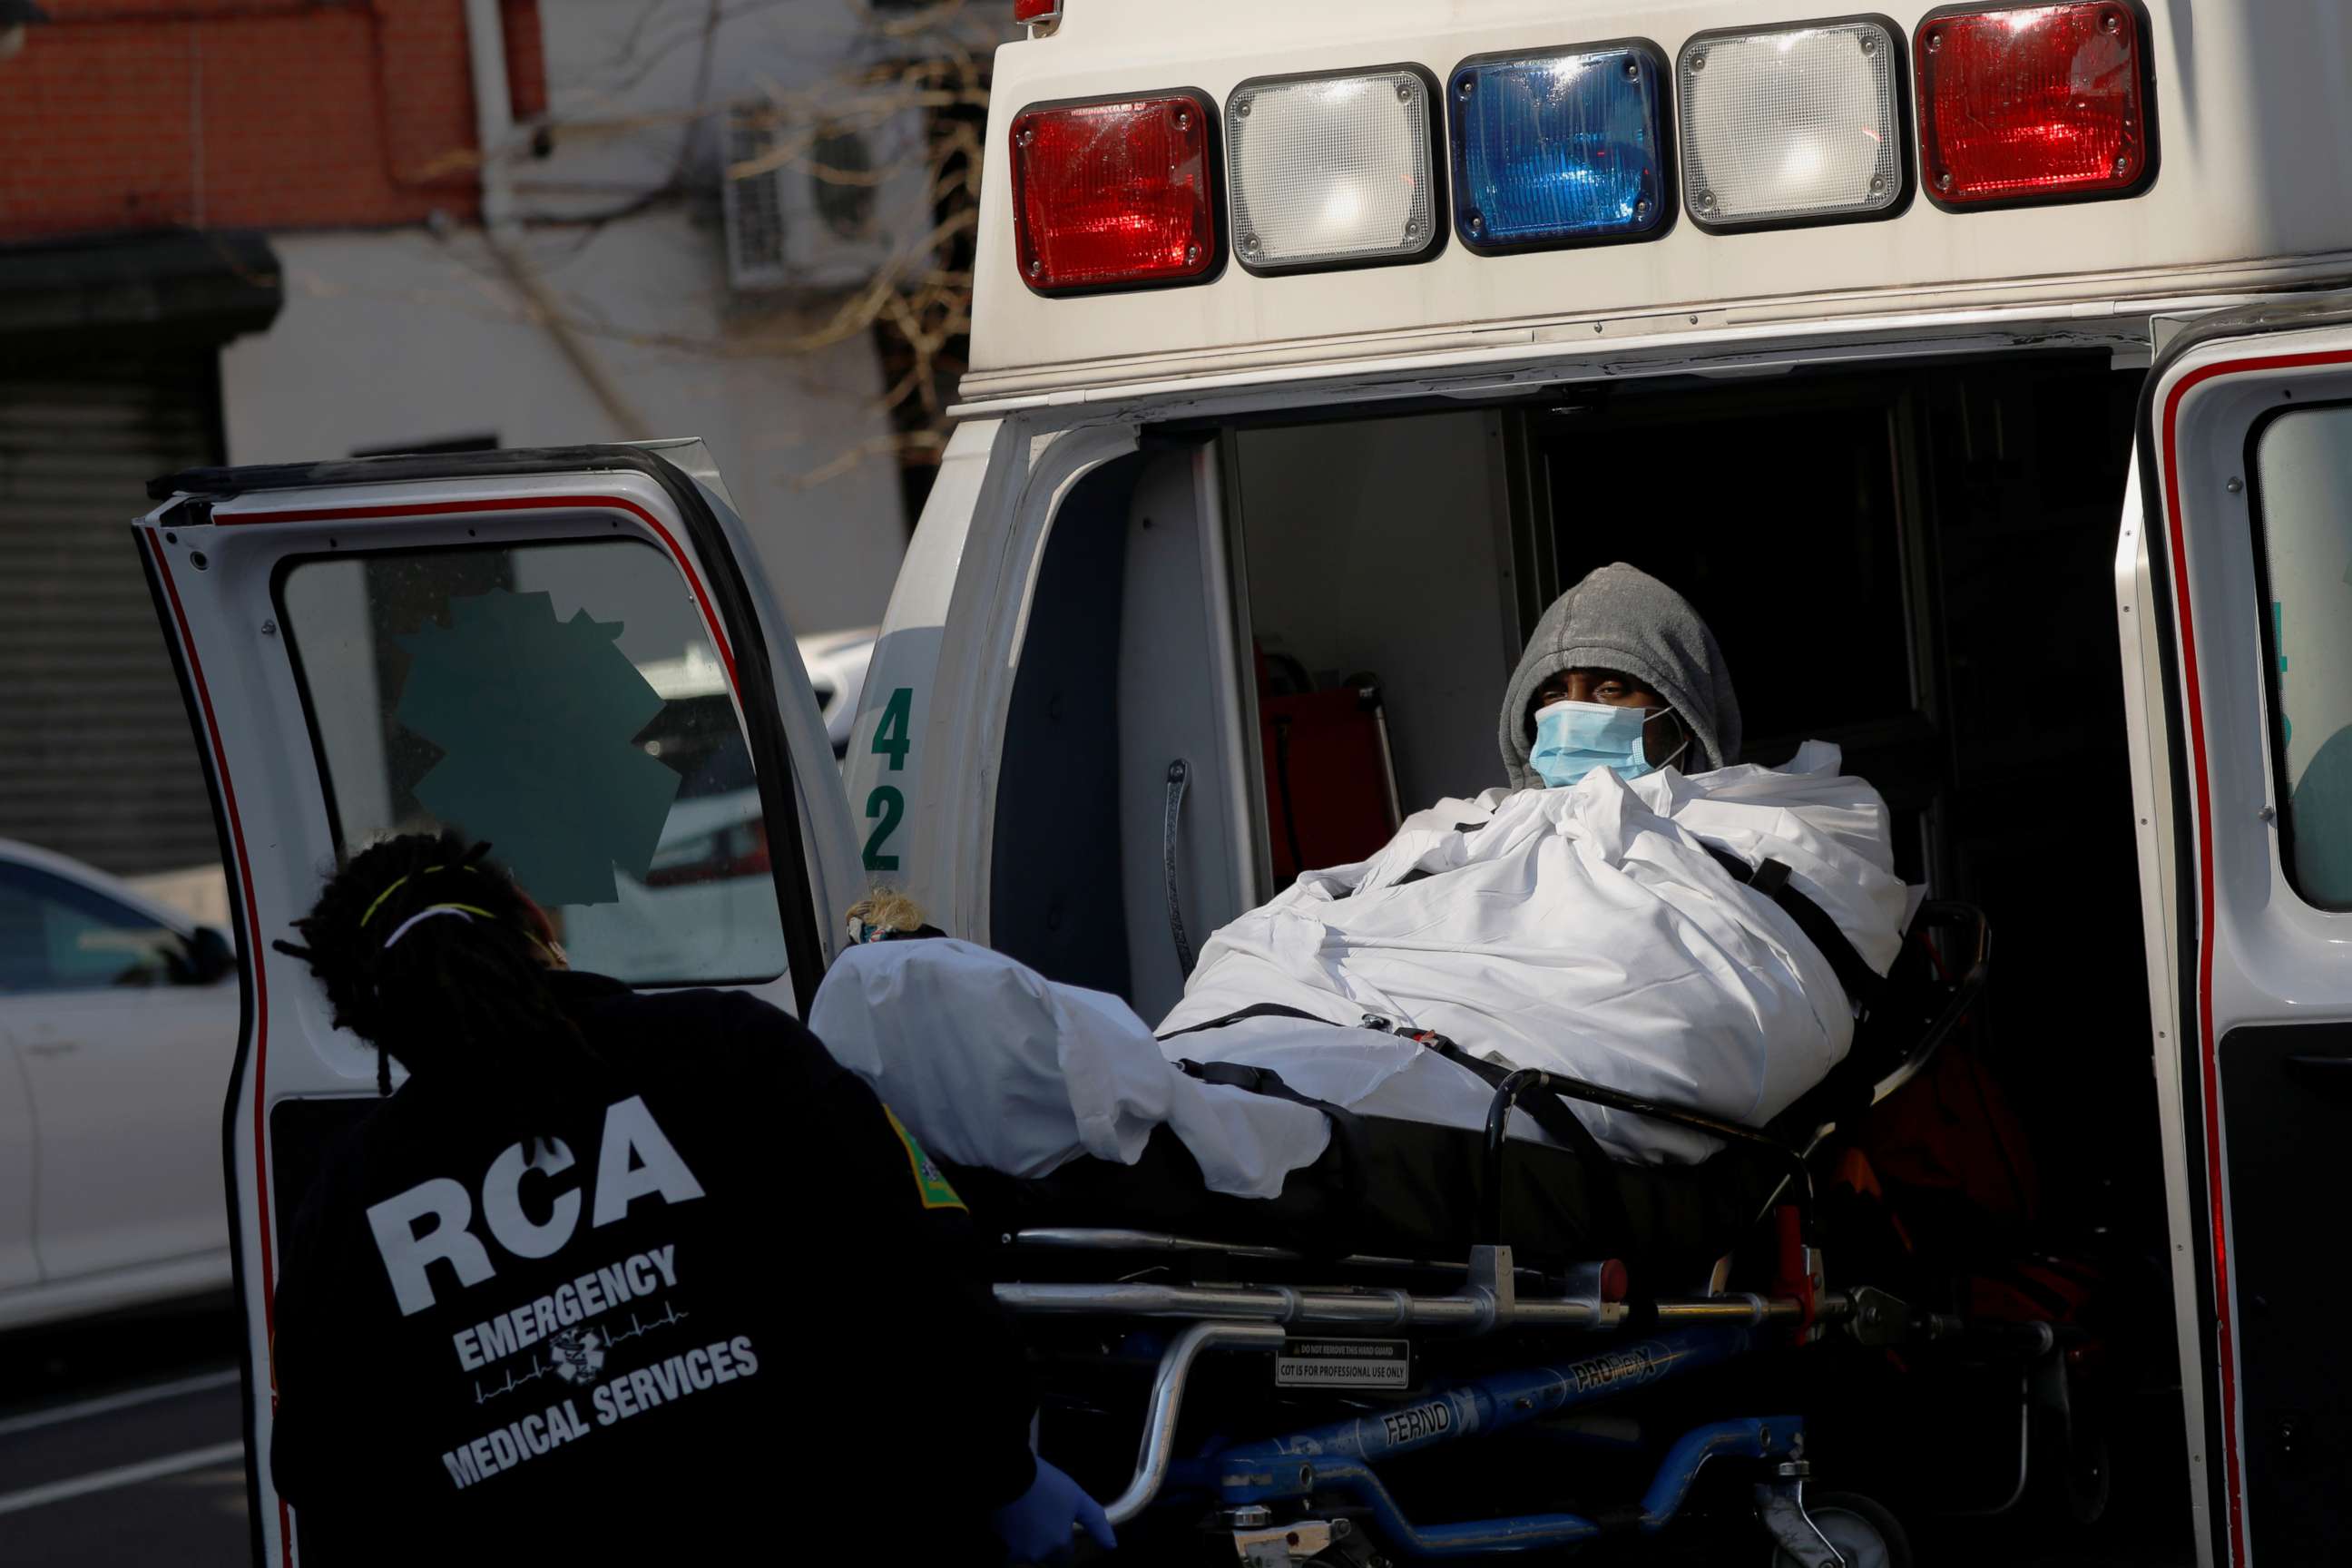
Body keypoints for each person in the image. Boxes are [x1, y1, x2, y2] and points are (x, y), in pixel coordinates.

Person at [267, 831, 1113, 1563]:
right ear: (535, 919)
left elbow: (337, 1485)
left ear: (365, 1020)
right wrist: (1002, 1474)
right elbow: (916, 1271)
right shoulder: (726, 1049)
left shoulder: (343, 1213)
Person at [1497, 561, 1741, 790]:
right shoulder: (1494, 833)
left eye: (1609, 689)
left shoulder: (1755, 830)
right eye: (1555, 694)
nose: (1572, 721)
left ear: (1686, 714)